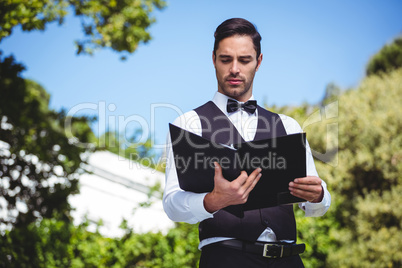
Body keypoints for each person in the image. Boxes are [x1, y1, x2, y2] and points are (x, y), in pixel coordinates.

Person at [163, 18, 331, 268]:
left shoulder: (288, 126)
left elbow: (320, 203)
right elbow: (172, 204)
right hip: (225, 258)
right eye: (225, 59)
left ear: (258, 61)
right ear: (213, 59)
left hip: (289, 260)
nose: (234, 69)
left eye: (244, 60)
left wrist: (317, 195)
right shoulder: (189, 123)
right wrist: (211, 201)